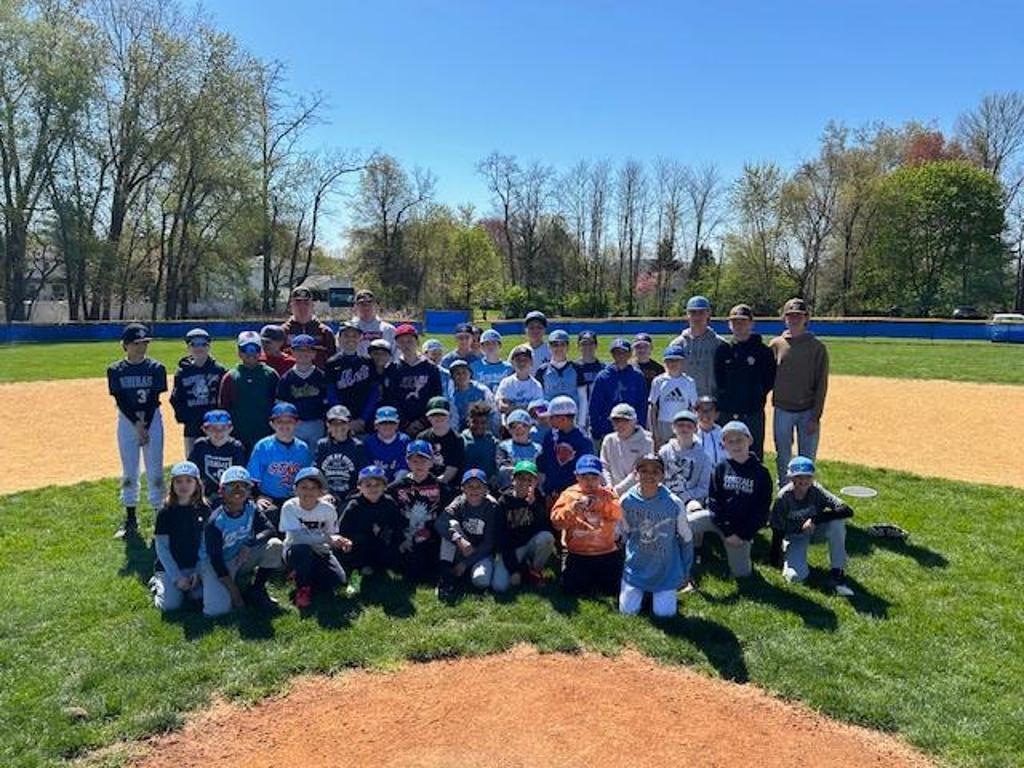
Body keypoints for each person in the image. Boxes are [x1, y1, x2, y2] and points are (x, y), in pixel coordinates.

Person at [686, 421, 772, 580]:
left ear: (749, 440)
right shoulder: (721, 468)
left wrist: (742, 535)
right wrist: (726, 530)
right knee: (682, 526)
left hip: (741, 531)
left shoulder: (761, 473)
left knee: (741, 574)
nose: (735, 445)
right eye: (730, 441)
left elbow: (762, 511)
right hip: (717, 521)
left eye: (739, 440)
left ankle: (740, 556)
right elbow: (714, 501)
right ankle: (685, 561)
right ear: (724, 445)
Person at [198, 466, 284, 616]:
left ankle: (256, 590)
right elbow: (216, 560)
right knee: (216, 611)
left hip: (239, 556)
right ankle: (201, 584)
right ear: (221, 491)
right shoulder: (215, 521)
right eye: (231, 486)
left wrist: (249, 543)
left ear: (249, 491)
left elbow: (270, 530)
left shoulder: (251, 507)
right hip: (215, 563)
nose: (238, 490)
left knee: (275, 545)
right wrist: (235, 594)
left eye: (243, 486)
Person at [107, 322, 167, 537]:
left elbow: (154, 399)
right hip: (127, 421)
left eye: (144, 343)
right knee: (129, 469)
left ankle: (160, 515)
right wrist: (137, 424)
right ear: (125, 345)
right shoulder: (115, 370)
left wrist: (145, 423)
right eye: (136, 343)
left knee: (155, 468)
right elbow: (121, 400)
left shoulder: (156, 368)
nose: (141, 347)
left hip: (152, 419)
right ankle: (131, 517)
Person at [618, 454, 693, 618]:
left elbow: (686, 538)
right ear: (635, 474)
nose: (649, 475)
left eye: (655, 472)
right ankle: (643, 592)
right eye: (644, 471)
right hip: (636, 568)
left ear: (662, 476)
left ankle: (654, 594)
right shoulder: (626, 501)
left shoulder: (674, 503)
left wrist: (685, 570)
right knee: (627, 612)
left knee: (665, 615)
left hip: (666, 570)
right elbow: (626, 533)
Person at [770, 456, 854, 596]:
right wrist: (774, 557)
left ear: (813, 478)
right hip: (795, 536)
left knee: (837, 523)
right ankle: (787, 551)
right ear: (791, 478)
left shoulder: (817, 490)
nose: (804, 481)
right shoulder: (783, 497)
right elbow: (777, 529)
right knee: (795, 578)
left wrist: (814, 520)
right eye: (799, 477)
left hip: (815, 530)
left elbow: (846, 510)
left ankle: (837, 572)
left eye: (808, 477)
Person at [769, 298, 830, 484]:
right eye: (790, 316)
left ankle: (806, 492)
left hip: (807, 411)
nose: (794, 319)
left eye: (798, 316)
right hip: (782, 409)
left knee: (807, 458)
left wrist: (815, 416)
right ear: (784, 318)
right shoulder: (776, 344)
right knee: (783, 456)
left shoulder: (817, 347)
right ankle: (784, 491)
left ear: (806, 318)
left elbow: (821, 384)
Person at [550, 455, 623, 595]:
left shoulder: (608, 495)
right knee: (570, 590)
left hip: (606, 552)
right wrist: (571, 509)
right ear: (576, 476)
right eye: (584, 477)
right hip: (577, 553)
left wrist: (601, 505)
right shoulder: (568, 495)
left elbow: (618, 514)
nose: (589, 482)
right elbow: (556, 523)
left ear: (600, 477)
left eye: (594, 477)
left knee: (613, 590)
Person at [278, 467, 350, 609]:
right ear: (295, 490)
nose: (309, 492)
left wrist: (341, 541)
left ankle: (302, 574)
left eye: (313, 488)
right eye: (304, 487)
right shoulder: (289, 507)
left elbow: (331, 534)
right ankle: (302, 588)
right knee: (302, 551)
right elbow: (296, 538)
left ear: (321, 492)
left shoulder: (328, 509)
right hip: (295, 549)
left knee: (338, 581)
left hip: (320, 550)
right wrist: (327, 539)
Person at [714, 304, 776, 460]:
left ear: (751, 323)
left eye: (743, 321)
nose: (739, 325)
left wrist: (756, 395)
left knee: (753, 455)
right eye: (735, 321)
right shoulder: (723, 350)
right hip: (727, 412)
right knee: (726, 455)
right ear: (729, 325)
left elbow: (769, 380)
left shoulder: (763, 352)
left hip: (752, 412)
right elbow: (718, 379)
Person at [388, 439, 453, 581]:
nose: (419, 465)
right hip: (405, 537)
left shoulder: (441, 487)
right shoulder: (396, 487)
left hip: (431, 538)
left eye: (424, 461)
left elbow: (447, 517)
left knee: (424, 568)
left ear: (431, 462)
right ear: (407, 462)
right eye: (414, 461)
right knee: (406, 568)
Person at [150, 461, 209, 612]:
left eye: (189, 481)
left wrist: (198, 571)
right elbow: (162, 548)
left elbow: (205, 544)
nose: (184, 485)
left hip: (194, 565)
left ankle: (185, 585)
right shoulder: (165, 512)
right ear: (172, 485)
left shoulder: (204, 509)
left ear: (197, 484)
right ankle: (157, 582)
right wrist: (177, 578)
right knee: (170, 606)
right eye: (178, 481)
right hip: (171, 567)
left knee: (199, 596)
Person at [247, 402, 314, 529]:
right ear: (272, 424)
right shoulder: (263, 446)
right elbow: (252, 480)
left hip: (294, 498)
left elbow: (308, 478)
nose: (284, 425)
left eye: (289, 421)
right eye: (279, 421)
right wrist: (258, 497)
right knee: (268, 512)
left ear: (297, 423)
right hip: (269, 497)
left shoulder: (303, 448)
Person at [436, 469, 503, 595]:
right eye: (469, 486)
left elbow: (489, 544)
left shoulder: (492, 506)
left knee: (481, 581)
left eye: (479, 486)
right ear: (463, 488)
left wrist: (465, 564)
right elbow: (440, 523)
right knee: (450, 526)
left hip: (481, 553)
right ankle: (445, 577)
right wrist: (458, 538)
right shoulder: (459, 501)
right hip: (462, 547)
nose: (474, 490)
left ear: (485, 489)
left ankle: (463, 572)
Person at [493, 460, 556, 591]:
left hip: (531, 544)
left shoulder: (538, 497)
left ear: (535, 482)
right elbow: (502, 540)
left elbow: (545, 527)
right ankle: (524, 570)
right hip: (512, 548)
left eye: (529, 480)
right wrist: (514, 570)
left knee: (547, 538)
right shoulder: (503, 502)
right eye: (521, 478)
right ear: (513, 479)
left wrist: (534, 505)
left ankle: (535, 571)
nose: (525, 483)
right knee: (499, 586)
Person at [338, 466, 405, 587]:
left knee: (394, 553)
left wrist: (400, 542)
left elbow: (398, 525)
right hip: (360, 545)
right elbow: (343, 529)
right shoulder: (354, 505)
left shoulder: (389, 503)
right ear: (359, 487)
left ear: (385, 486)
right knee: (355, 550)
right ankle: (357, 573)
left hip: (381, 542)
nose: (373, 489)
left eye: (377, 485)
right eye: (368, 485)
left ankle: (380, 567)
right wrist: (347, 542)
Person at [218, 331, 279, 456]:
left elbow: (278, 404)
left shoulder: (270, 375)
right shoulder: (231, 377)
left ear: (260, 351)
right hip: (238, 436)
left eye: (255, 349)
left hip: (265, 435)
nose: (250, 353)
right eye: (245, 349)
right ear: (239, 352)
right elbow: (224, 407)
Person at [170, 328, 227, 456]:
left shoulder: (219, 370)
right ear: (188, 348)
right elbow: (176, 398)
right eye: (194, 344)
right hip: (192, 426)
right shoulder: (182, 373)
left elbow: (225, 397)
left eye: (203, 344)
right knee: (192, 459)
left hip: (215, 425)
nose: (199, 348)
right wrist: (185, 417)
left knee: (216, 458)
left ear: (209, 346)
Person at [588, 338, 648, 444]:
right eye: (617, 352)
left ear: (629, 354)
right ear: (612, 354)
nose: (620, 355)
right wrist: (596, 428)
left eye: (623, 352)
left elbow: (642, 404)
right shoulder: (603, 376)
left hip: (631, 429)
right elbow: (595, 405)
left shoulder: (637, 376)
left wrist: (639, 426)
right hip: (607, 429)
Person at [386, 324, 443, 436]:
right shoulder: (393, 369)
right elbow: (391, 399)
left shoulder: (430, 368)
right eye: (402, 342)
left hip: (426, 425)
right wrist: (405, 423)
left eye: (409, 341)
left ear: (417, 342)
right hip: (400, 426)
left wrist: (422, 421)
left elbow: (435, 397)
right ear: (397, 345)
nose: (406, 345)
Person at [324, 320, 377, 435]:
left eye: (354, 336)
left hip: (364, 420)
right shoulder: (332, 363)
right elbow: (331, 394)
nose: (350, 339)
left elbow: (374, 393)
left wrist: (363, 419)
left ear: (360, 338)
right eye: (346, 335)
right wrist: (344, 419)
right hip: (340, 421)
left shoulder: (368, 362)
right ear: (339, 338)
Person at [276, 334, 329, 447]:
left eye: (308, 350)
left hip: (316, 422)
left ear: (314, 353)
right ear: (292, 352)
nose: (304, 354)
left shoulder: (321, 376)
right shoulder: (286, 378)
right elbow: (281, 405)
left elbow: (327, 403)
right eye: (299, 350)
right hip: (295, 424)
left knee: (316, 453)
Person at [539, 395, 595, 500]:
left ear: (563, 419)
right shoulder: (550, 437)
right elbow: (545, 464)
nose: (548, 420)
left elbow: (586, 471)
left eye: (551, 417)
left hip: (574, 495)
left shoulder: (583, 441)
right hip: (551, 494)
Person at [188, 409, 246, 507]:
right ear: (204, 429)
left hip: (229, 494)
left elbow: (240, 477)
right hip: (205, 494)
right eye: (213, 428)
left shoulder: (236, 447)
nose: (218, 432)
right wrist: (199, 495)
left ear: (230, 429)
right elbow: (192, 472)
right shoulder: (200, 446)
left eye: (223, 428)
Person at [671, 295, 725, 398]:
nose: (697, 317)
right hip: (685, 400)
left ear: (708, 313)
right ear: (687, 314)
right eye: (693, 312)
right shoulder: (677, 345)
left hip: (712, 400)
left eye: (701, 312)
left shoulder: (720, 344)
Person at [315, 405, 371, 504]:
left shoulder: (358, 446)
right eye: (334, 424)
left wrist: (353, 496)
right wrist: (325, 493)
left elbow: (364, 476)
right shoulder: (322, 445)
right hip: (326, 496)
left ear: (349, 425)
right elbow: (317, 472)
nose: (339, 427)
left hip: (351, 497)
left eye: (343, 423)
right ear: (328, 425)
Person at [647, 344, 698, 449]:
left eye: (676, 360)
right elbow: (653, 407)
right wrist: (654, 432)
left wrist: (694, 428)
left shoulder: (689, 382)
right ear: (664, 362)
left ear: (682, 362)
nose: (673, 364)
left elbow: (694, 407)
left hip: (683, 422)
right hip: (663, 424)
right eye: (669, 361)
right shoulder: (659, 381)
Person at [658, 409, 712, 508]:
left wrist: (685, 496)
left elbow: (704, 487)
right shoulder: (664, 452)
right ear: (673, 428)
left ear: (695, 429)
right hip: (665, 498)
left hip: (691, 501)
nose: (684, 429)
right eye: (680, 425)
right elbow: (657, 479)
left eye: (689, 426)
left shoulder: (704, 457)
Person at [600, 403, 653, 497]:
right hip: (610, 492)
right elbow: (604, 466)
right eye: (616, 421)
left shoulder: (647, 441)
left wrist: (617, 490)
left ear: (634, 421)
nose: (620, 424)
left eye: (625, 420)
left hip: (637, 494)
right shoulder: (609, 440)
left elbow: (640, 470)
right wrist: (609, 486)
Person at [281, 285, 336, 367]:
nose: (302, 306)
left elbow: (333, 360)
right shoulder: (282, 332)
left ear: (312, 305)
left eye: (306, 303)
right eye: (298, 302)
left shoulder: (325, 332)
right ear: (291, 306)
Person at [534, 329, 588, 414]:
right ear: (549, 347)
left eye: (562, 344)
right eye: (555, 345)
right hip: (550, 418)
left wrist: (581, 420)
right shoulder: (542, 370)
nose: (559, 348)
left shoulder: (577, 369)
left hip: (572, 418)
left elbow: (583, 399)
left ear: (568, 347)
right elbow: (538, 398)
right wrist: (542, 417)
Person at [496, 409, 542, 489]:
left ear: (530, 427)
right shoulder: (503, 447)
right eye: (513, 426)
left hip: (532, 491)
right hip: (509, 490)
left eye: (524, 425)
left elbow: (541, 472)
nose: (519, 429)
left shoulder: (538, 449)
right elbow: (503, 470)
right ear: (508, 429)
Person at [363, 405, 410, 482]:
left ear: (397, 425)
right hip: (375, 483)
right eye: (383, 423)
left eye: (391, 422)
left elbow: (403, 469)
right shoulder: (368, 442)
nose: (387, 426)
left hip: (398, 484)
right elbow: (367, 470)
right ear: (376, 425)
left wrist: (393, 486)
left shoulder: (404, 441)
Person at [495, 344, 544, 416]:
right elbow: (501, 406)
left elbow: (540, 410)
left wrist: (512, 406)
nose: (522, 363)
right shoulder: (506, 383)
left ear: (531, 362)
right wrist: (528, 408)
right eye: (518, 360)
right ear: (512, 363)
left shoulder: (536, 385)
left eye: (525, 360)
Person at [449, 359, 495, 432]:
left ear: (470, 374)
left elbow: (493, 412)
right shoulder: (451, 395)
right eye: (457, 373)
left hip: (483, 429)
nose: (461, 376)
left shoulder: (483, 391)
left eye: (464, 372)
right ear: (452, 377)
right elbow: (453, 420)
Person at [461, 401, 499, 483]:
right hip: (466, 484)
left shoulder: (493, 442)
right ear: (468, 421)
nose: (479, 426)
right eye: (475, 422)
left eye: (483, 423)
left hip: (487, 485)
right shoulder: (461, 440)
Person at [353, 289, 397, 358]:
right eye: (362, 304)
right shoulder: (348, 330)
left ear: (376, 305)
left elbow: (396, 354)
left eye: (369, 303)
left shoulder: (388, 329)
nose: (366, 307)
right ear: (355, 307)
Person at [574, 330, 603, 435]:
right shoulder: (573, 368)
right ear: (578, 346)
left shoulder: (603, 368)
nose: (587, 346)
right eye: (584, 343)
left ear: (596, 346)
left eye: (591, 343)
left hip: (598, 414)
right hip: (578, 414)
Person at [470, 329, 513, 394]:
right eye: (487, 344)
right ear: (482, 347)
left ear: (500, 346)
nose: (491, 346)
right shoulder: (473, 367)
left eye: (494, 343)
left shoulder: (509, 368)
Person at [509, 310, 551, 374]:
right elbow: (509, 373)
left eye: (539, 327)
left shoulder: (552, 351)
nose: (535, 330)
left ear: (545, 329)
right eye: (531, 327)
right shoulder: (517, 351)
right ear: (525, 329)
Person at [694, 395, 726, 468]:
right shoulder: (688, 436)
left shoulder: (725, 435)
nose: (705, 414)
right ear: (695, 413)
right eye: (701, 410)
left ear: (717, 414)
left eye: (709, 410)